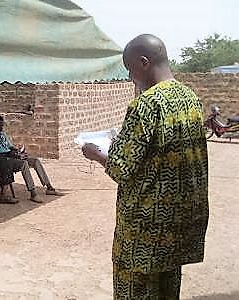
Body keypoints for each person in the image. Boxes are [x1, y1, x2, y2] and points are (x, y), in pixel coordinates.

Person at [82, 34, 209, 299]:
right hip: (179, 228)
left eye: (130, 69)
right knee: (167, 291)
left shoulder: (147, 104)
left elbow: (119, 167)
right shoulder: (190, 99)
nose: (130, 77)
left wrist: (95, 154)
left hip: (145, 231)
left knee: (134, 292)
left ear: (143, 62)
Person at [0, 114, 57, 203]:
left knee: (35, 161)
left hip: (12, 155)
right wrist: (13, 154)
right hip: (4, 158)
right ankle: (33, 193)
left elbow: (10, 146)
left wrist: (18, 151)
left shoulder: (3, 134)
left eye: (2, 125)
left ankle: (49, 187)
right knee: (24, 164)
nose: (1, 127)